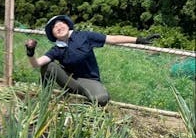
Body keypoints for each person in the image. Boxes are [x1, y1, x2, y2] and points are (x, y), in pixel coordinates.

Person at [25, 15, 160, 106]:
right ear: (53, 34)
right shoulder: (56, 49)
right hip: (70, 81)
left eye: (61, 24)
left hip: (89, 80)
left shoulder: (84, 36)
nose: (59, 27)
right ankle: (44, 101)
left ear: (68, 25)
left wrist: (138, 39)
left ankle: (84, 97)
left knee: (101, 99)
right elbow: (36, 64)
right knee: (49, 67)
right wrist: (30, 52)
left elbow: (111, 39)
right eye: (55, 27)